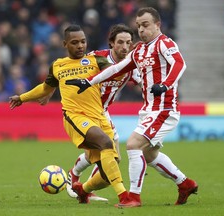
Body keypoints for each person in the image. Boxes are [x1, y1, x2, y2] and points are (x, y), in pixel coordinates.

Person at [66, 7, 198, 207]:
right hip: (149, 110)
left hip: (163, 108)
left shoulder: (164, 43)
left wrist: (165, 84)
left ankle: (133, 198)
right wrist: (89, 82)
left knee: (133, 145)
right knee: (149, 155)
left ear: (157, 25)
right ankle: (185, 183)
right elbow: (117, 69)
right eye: (138, 26)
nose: (141, 30)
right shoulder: (140, 51)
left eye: (145, 25)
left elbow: (180, 64)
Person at [9, 24, 137, 207]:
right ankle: (125, 197)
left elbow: (115, 71)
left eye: (83, 42)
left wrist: (135, 58)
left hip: (99, 117)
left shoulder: (95, 60)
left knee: (108, 174)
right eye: (75, 42)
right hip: (75, 116)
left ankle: (83, 190)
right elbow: (45, 88)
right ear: (65, 44)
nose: (80, 46)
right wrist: (22, 98)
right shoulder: (58, 65)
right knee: (106, 144)